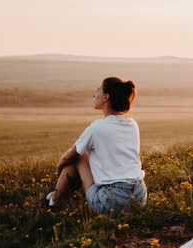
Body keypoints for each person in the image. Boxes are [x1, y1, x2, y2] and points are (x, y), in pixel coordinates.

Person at [44, 77, 147, 213]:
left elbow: (70, 156)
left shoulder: (97, 127)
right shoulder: (132, 124)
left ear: (106, 97)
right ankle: (55, 198)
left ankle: (54, 200)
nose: (94, 94)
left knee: (79, 157)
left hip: (112, 204)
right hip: (140, 198)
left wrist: (59, 168)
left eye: (97, 90)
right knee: (84, 156)